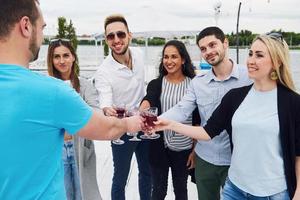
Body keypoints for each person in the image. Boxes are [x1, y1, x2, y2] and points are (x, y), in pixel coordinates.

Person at [0, 1, 143, 199]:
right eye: (41, 27)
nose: (42, 35)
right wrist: (130, 122)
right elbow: (107, 128)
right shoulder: (51, 91)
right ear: (26, 26)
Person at [154, 33, 300, 200]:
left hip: (273, 193)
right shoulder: (235, 96)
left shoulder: (293, 103)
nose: (251, 60)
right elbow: (208, 131)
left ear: (277, 61)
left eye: (259, 55)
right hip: (234, 189)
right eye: (250, 54)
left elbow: (298, 154)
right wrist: (168, 124)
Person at [158, 26, 252, 200]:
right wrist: (156, 121)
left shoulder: (249, 78)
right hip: (205, 159)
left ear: (225, 43)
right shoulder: (198, 83)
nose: (208, 51)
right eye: (203, 49)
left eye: (212, 45)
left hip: (237, 161)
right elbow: (181, 110)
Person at [94, 14, 151, 200]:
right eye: (111, 36)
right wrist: (106, 109)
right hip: (122, 128)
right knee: (120, 177)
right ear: (106, 40)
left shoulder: (139, 54)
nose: (116, 40)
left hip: (144, 123)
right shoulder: (104, 71)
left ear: (129, 35)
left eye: (121, 34)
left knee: (147, 172)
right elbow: (104, 98)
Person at [140, 40, 199, 200]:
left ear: (183, 59)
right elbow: (149, 98)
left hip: (183, 148)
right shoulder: (156, 83)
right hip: (158, 146)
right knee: (158, 191)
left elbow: (197, 120)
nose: (169, 61)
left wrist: (194, 151)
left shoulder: (193, 84)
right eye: (166, 57)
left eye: (174, 57)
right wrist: (142, 110)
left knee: (181, 191)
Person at [47, 38, 102, 200]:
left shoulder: (85, 85)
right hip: (56, 150)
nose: (62, 61)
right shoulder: (47, 86)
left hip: (80, 146)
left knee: (85, 194)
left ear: (73, 57)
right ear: (51, 59)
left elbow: (96, 112)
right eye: (57, 57)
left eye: (66, 55)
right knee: (61, 194)